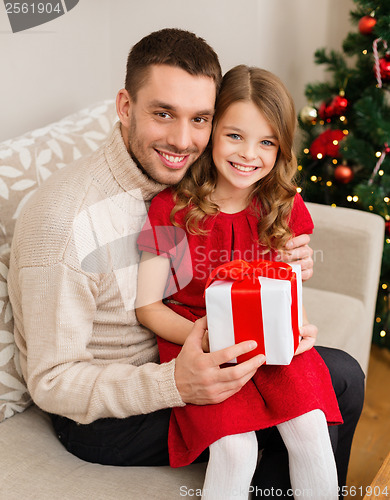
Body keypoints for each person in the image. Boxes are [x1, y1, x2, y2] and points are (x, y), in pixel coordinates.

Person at [7, 28, 364, 495]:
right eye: (162, 114)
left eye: (200, 119)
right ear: (125, 107)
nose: (182, 139)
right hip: (112, 412)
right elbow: (54, 382)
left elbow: (242, 217)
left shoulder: (183, 175)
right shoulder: (62, 222)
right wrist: (177, 383)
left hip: (199, 348)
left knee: (343, 377)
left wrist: (285, 271)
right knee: (287, 429)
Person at [135, 65, 342, 499]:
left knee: (310, 428)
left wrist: (298, 322)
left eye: (266, 142)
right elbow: (148, 306)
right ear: (211, 133)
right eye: (234, 136)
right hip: (201, 338)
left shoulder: (281, 203)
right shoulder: (171, 210)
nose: (249, 154)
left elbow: (290, 282)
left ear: (281, 147)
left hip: (269, 335)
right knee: (234, 450)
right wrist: (207, 337)